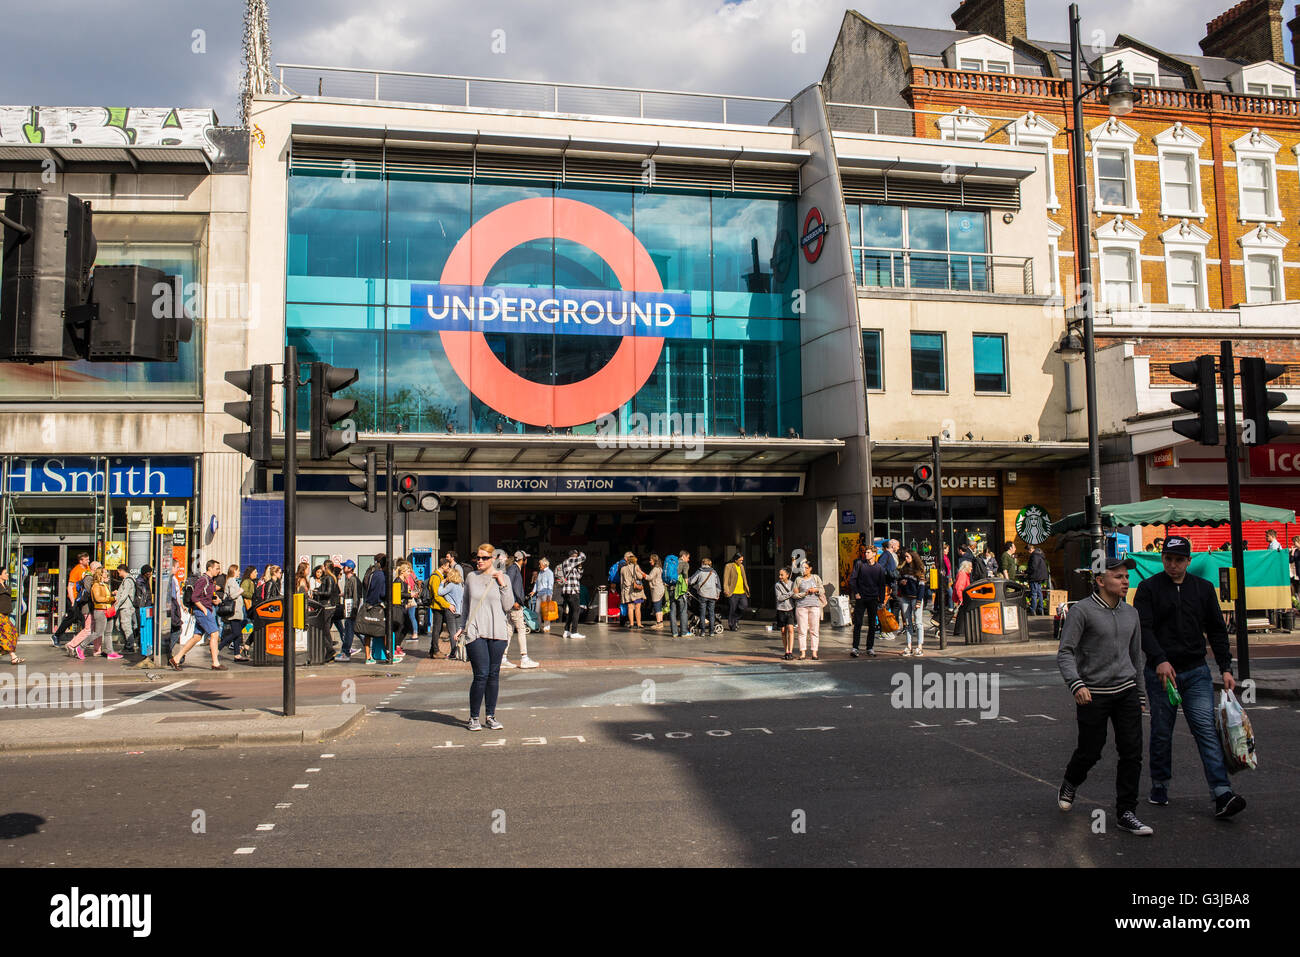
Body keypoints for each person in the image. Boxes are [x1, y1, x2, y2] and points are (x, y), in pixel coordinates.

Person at [1133, 535, 1245, 819]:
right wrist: (1159, 660)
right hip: (1161, 675)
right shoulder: (1148, 589)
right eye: (1168, 559)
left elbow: (1217, 631)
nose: (1173, 565)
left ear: (1188, 561)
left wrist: (1226, 668)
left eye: (1179, 560)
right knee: (1161, 732)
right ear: (1163, 560)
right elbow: (1144, 629)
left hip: (1196, 671)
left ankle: (1222, 793)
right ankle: (1159, 785)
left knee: (1205, 730)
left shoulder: (1203, 589)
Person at [1055, 556, 1152, 836]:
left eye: (1126, 577)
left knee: (1132, 753)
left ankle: (1126, 812)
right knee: (1091, 750)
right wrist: (1076, 684)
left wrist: (1142, 695)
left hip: (1127, 692)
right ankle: (1071, 781)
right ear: (1100, 580)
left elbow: (1137, 658)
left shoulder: (1131, 613)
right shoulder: (1082, 612)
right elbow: (1065, 652)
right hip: (1092, 694)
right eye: (1118, 577)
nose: (1125, 582)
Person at [458, 544, 515, 732]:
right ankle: (474, 717)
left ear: (493, 559)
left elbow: (508, 606)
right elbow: (465, 605)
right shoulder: (471, 577)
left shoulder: (504, 577)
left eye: (484, 558)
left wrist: (502, 584)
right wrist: (461, 626)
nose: (479, 561)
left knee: (493, 675)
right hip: (475, 631)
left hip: (498, 632)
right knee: (481, 674)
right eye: (478, 557)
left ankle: (490, 715)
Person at [169, 559, 226, 671]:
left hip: (204, 609)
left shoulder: (209, 581)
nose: (218, 571)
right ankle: (215, 663)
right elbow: (194, 597)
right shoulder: (203, 580)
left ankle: (176, 659)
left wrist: (215, 600)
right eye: (217, 568)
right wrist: (204, 609)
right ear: (210, 568)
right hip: (203, 611)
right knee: (214, 634)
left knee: (196, 637)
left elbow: (204, 596)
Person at [849, 546, 887, 658]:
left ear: (874, 554)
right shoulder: (860, 564)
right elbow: (853, 579)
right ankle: (855, 647)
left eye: (868, 552)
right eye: (865, 552)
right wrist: (856, 592)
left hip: (873, 598)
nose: (866, 554)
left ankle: (870, 648)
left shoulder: (879, 568)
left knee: (872, 624)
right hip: (861, 597)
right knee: (858, 623)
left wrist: (881, 599)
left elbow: (882, 584)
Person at [504, 550, 538, 669]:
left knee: (509, 631)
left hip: (512, 604)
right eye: (525, 559)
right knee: (521, 629)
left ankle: (503, 657)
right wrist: (514, 601)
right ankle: (524, 658)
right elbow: (507, 584)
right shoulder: (513, 569)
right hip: (515, 605)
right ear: (523, 560)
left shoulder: (512, 568)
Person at [52, 551, 91, 646]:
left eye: (88, 559)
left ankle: (86, 638)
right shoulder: (75, 570)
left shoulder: (87, 568)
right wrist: (73, 601)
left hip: (82, 598)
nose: (88, 561)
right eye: (86, 559)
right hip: (74, 598)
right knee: (71, 617)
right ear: (80, 561)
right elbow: (70, 586)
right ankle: (57, 635)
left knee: (83, 618)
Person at [792, 560, 824, 661]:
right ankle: (803, 652)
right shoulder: (798, 579)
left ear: (810, 569)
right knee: (802, 630)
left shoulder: (816, 578)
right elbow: (794, 594)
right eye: (802, 568)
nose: (803, 570)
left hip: (814, 606)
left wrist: (815, 590)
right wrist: (804, 593)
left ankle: (814, 652)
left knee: (814, 630)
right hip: (801, 607)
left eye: (806, 568)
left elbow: (822, 590)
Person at [898, 551, 926, 658]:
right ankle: (909, 646)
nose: (906, 558)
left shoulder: (919, 570)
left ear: (913, 557)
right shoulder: (903, 569)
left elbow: (922, 587)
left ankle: (919, 646)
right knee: (908, 623)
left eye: (908, 556)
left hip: (915, 598)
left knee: (918, 623)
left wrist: (919, 601)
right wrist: (901, 582)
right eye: (905, 556)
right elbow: (899, 581)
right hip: (905, 597)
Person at [363, 554, 390, 664]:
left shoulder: (371, 573)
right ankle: (388, 655)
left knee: (368, 633)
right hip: (378, 606)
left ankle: (368, 657)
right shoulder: (381, 575)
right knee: (384, 631)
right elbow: (383, 593)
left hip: (368, 605)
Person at [334, 560, 361, 661]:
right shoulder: (349, 579)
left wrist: (354, 610)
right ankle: (369, 646)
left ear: (350, 568)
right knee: (354, 630)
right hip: (348, 608)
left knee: (349, 630)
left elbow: (355, 596)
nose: (343, 568)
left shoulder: (353, 580)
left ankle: (345, 652)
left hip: (351, 609)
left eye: (345, 566)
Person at [217, 563, 245, 660]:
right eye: (237, 570)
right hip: (234, 611)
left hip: (235, 611)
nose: (239, 572)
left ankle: (237, 654)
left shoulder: (230, 581)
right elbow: (232, 595)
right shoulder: (232, 581)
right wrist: (241, 591)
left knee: (236, 633)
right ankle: (218, 648)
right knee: (236, 633)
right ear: (234, 571)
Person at [557, 549, 586, 639]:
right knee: (576, 611)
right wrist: (580, 553)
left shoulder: (568, 564)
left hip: (567, 591)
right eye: (576, 555)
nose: (577, 557)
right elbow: (583, 557)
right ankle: (574, 632)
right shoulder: (570, 560)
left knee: (572, 611)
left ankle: (566, 631)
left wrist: (580, 569)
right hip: (572, 591)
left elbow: (577, 577)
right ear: (573, 555)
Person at [439, 564, 465, 660]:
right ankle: (459, 651)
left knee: (452, 632)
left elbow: (440, 592)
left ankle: (453, 653)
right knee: (459, 632)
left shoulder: (451, 585)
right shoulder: (460, 585)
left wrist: (442, 583)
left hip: (451, 611)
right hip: (459, 611)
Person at [690, 557, 720, 636]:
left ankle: (703, 631)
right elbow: (718, 585)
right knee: (711, 613)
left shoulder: (699, 571)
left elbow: (691, 581)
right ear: (710, 564)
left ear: (702, 563)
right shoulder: (714, 572)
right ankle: (711, 632)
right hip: (712, 595)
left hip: (702, 595)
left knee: (702, 613)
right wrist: (718, 594)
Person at [113, 567, 138, 655]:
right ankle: (128, 644)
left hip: (125, 607)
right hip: (123, 606)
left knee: (126, 626)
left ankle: (129, 646)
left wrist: (116, 605)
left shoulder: (128, 580)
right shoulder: (127, 580)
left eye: (118, 571)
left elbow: (124, 595)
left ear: (121, 570)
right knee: (118, 625)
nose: (118, 573)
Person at [723, 553, 751, 631]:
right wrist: (726, 590)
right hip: (733, 592)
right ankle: (732, 625)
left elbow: (744, 578)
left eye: (742, 560)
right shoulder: (729, 566)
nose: (742, 561)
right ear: (735, 560)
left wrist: (747, 588)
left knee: (744, 606)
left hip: (742, 591)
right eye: (740, 560)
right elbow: (726, 579)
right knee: (733, 609)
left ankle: (735, 619)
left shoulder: (742, 567)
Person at [1, 568, 23, 665]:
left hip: (5, 615)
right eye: (5, 573)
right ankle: (13, 657)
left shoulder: (6, 586)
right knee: (6, 635)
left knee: (13, 633)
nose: (7, 575)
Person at [619, 553, 647, 629]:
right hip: (636, 590)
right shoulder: (636, 566)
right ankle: (639, 624)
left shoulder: (623, 569)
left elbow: (621, 582)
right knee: (638, 607)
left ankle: (631, 624)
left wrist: (622, 591)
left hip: (628, 590)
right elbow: (640, 577)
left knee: (630, 607)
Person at [774, 567, 796, 659]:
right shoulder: (777, 585)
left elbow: (796, 594)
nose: (780, 576)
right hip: (781, 610)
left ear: (787, 575)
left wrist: (793, 593)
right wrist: (790, 593)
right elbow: (779, 598)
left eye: (782, 575)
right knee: (783, 631)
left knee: (791, 629)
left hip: (790, 609)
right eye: (779, 575)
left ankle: (790, 651)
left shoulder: (792, 584)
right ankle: (786, 650)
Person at [669, 551, 691, 638]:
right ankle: (684, 632)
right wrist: (686, 588)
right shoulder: (684, 564)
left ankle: (674, 632)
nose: (688, 560)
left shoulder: (672, 563)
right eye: (688, 557)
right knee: (683, 611)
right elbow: (685, 577)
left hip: (670, 589)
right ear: (684, 556)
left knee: (672, 611)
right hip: (680, 591)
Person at [532, 557, 554, 634]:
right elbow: (537, 583)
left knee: (546, 611)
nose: (539, 566)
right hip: (539, 593)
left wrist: (549, 595)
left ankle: (547, 626)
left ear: (545, 565)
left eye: (540, 564)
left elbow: (550, 585)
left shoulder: (549, 573)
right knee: (537, 611)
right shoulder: (540, 573)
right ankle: (539, 625)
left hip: (546, 593)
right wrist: (533, 591)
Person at [951, 560, 973, 636]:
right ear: (966, 567)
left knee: (962, 613)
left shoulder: (965, 574)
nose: (971, 568)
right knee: (961, 613)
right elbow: (959, 587)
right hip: (963, 597)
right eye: (970, 566)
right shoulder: (963, 574)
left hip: (964, 597)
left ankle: (960, 630)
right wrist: (961, 598)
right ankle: (959, 630)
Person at [1026, 544, 1049, 616]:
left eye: (1028, 551)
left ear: (1030, 549)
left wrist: (1027, 571)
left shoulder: (1034, 555)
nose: (1028, 553)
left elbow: (1033, 567)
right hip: (1040, 577)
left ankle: (1033, 610)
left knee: (1034, 594)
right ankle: (1040, 609)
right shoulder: (1040, 554)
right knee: (1039, 593)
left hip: (1035, 577)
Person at [646, 554, 666, 630]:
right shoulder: (660, 568)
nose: (650, 561)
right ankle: (660, 622)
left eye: (651, 560)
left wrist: (641, 572)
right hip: (661, 588)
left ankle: (658, 624)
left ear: (654, 560)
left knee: (657, 606)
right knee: (659, 606)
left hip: (656, 589)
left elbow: (649, 577)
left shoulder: (655, 569)